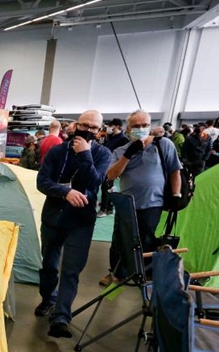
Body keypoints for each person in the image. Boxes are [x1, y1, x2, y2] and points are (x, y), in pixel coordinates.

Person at [35, 110, 112, 339]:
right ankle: (48, 299)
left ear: (99, 131)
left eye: (93, 128)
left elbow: (95, 182)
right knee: (48, 264)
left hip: (81, 221)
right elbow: (42, 181)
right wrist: (65, 192)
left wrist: (85, 155)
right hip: (53, 217)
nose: (88, 131)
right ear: (75, 125)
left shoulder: (103, 154)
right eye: (85, 125)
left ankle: (61, 317)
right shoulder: (57, 151)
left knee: (71, 270)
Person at [101, 110, 182, 284]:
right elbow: (111, 175)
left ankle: (143, 274)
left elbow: (175, 170)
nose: (141, 129)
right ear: (129, 128)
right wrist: (128, 155)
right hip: (127, 204)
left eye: (144, 125)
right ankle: (116, 273)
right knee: (119, 239)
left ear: (150, 126)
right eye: (136, 126)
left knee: (147, 239)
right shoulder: (121, 150)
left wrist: (176, 194)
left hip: (153, 202)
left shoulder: (164, 145)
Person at [96, 118, 130, 218]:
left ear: (117, 126)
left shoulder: (123, 139)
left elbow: (125, 155)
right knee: (107, 187)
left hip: (113, 167)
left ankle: (104, 209)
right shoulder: (110, 137)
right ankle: (109, 207)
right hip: (105, 164)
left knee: (106, 187)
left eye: (112, 126)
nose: (109, 127)